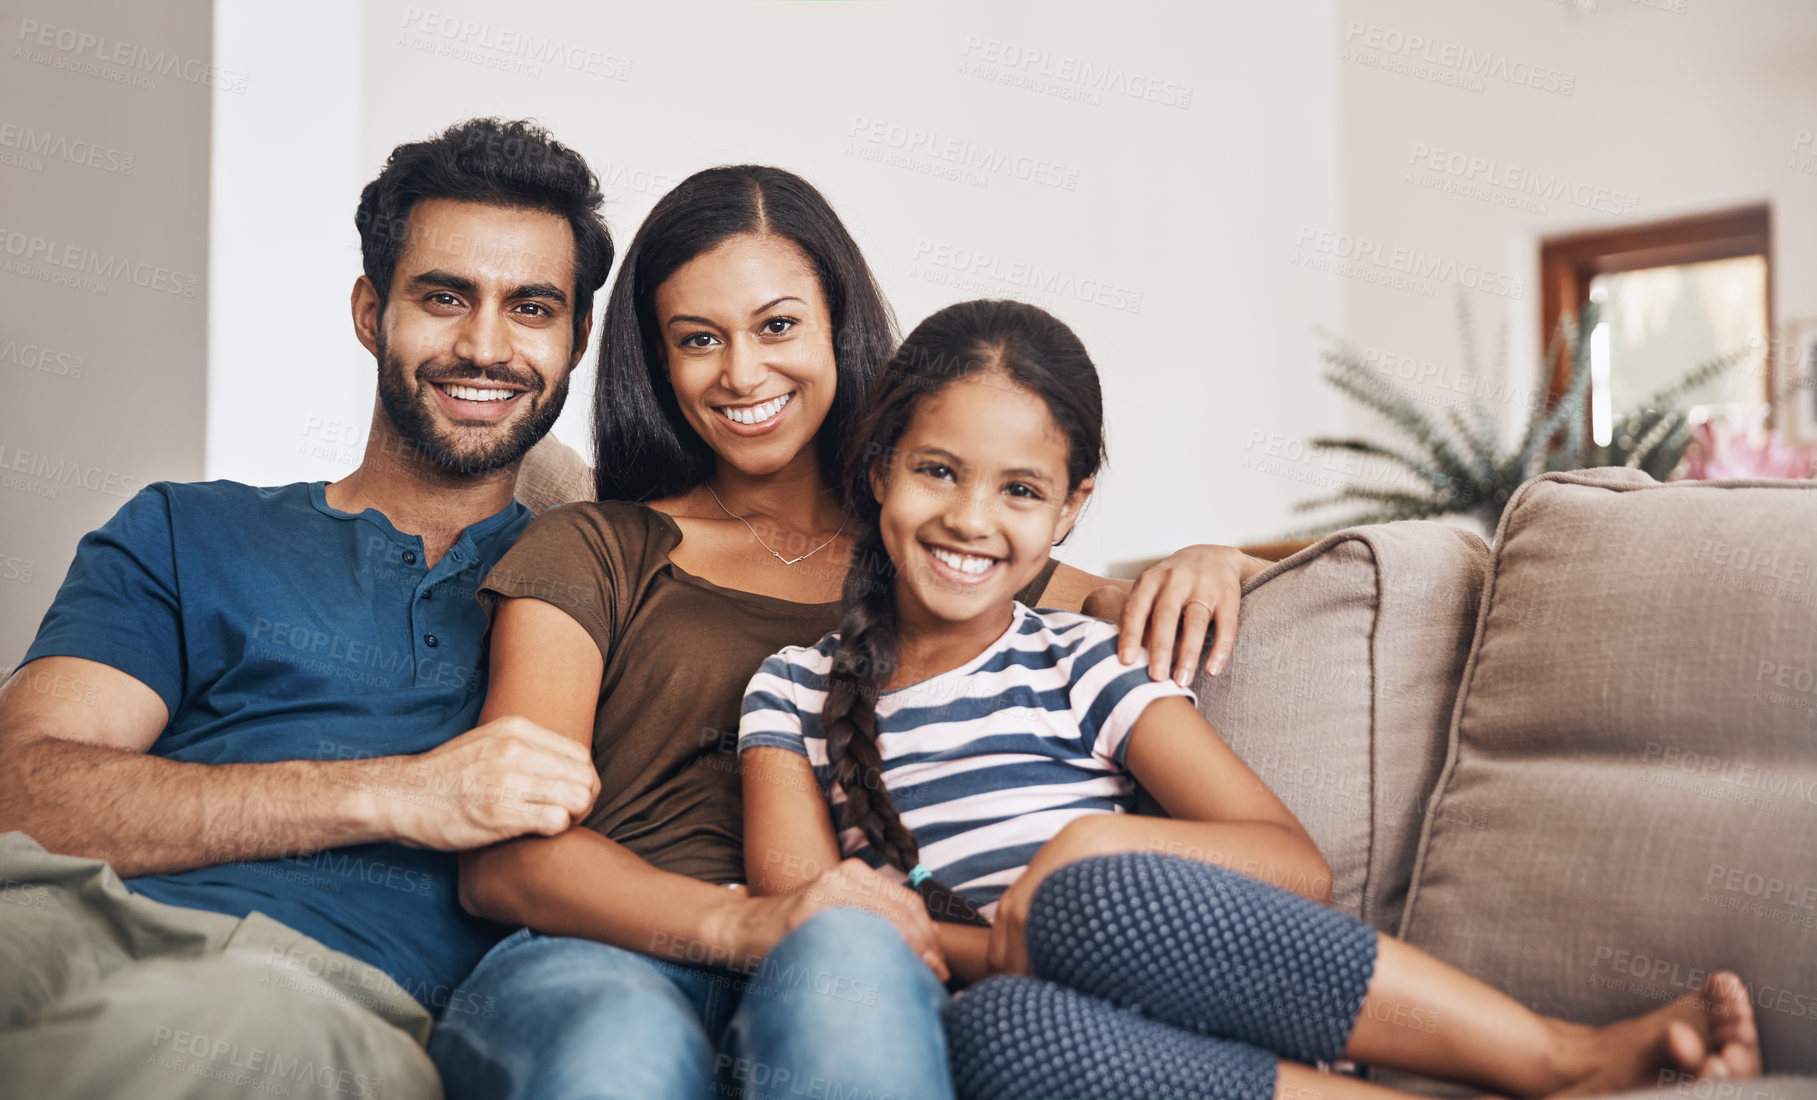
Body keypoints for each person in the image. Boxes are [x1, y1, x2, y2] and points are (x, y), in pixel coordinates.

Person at [735, 298, 1764, 1100]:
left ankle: (1554, 1054)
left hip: (1182, 978)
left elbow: (1289, 862)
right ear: (878, 470)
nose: (968, 516)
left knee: (1086, 888)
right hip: (1074, 1052)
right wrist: (1003, 939)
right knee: (998, 1031)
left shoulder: (1079, 657)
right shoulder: (790, 692)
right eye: (936, 470)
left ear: (1069, 509)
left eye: (1018, 488)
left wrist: (1078, 865)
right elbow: (812, 916)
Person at [433, 165, 1268, 1100]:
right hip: (599, 958)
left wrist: (1216, 558)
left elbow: (1145, 598)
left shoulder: (937, 548)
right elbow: (504, 857)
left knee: (852, 979)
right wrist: (749, 921)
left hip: (847, 963)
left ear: (839, 326)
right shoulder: (594, 545)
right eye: (698, 339)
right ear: (659, 363)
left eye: (778, 325)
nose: (743, 373)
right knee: (623, 1049)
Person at [0, 117, 610, 1099]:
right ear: (371, 312)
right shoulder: (181, 529)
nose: (485, 345)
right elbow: (22, 791)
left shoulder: (598, 586)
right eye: (444, 297)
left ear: (577, 337)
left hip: (317, 999)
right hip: (56, 915)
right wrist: (398, 793)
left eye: (531, 307)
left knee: (213, 1026)